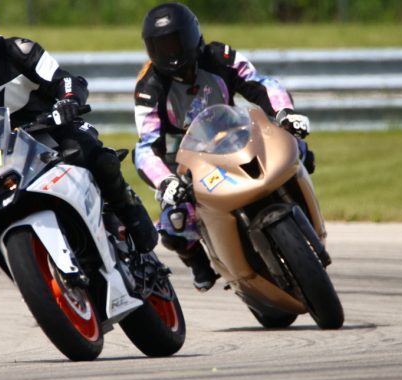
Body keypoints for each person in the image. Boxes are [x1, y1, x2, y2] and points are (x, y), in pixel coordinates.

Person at [0, 0, 158, 253]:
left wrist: (68, 101)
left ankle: (131, 214)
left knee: (97, 159)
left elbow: (64, 80)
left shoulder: (19, 51)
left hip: (52, 128)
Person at [134, 2, 314, 292]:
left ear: (191, 36)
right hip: (187, 157)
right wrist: (165, 181)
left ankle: (301, 214)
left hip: (234, 133)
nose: (169, 51)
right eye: (160, 45)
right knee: (174, 222)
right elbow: (145, 147)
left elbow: (259, 84)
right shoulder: (148, 86)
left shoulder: (220, 55)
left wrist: (285, 113)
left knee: (298, 149)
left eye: (174, 41)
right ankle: (200, 264)